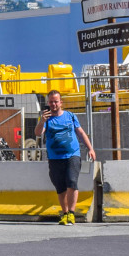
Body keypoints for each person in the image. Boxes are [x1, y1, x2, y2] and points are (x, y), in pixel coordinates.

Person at [36, 90, 96, 225]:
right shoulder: (46, 119)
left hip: (72, 154)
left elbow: (80, 133)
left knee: (72, 181)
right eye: (51, 102)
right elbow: (38, 133)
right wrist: (41, 121)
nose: (53, 104)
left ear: (61, 102)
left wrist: (90, 148)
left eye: (56, 101)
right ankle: (64, 213)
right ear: (48, 103)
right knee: (60, 186)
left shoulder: (70, 116)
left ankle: (72, 213)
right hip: (54, 157)